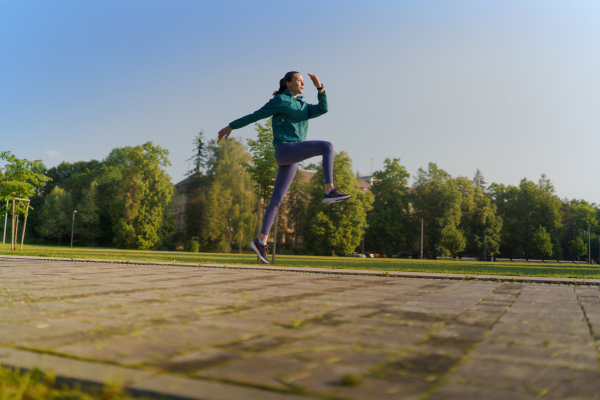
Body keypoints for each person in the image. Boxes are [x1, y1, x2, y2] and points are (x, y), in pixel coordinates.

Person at [217, 72, 350, 263]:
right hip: (285, 149)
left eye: (304, 81)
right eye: (298, 80)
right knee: (327, 146)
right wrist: (231, 126)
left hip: (292, 158)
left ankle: (260, 242)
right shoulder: (280, 100)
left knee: (276, 201)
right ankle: (329, 190)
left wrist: (320, 88)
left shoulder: (304, 106)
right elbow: (257, 115)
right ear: (288, 83)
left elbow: (323, 109)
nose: (302, 83)